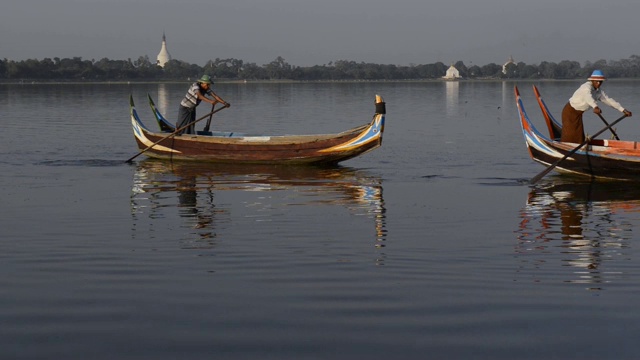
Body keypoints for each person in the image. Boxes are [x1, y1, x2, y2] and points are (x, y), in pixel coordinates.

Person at [561, 69, 632, 143]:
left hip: (578, 115)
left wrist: (623, 110)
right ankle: (565, 148)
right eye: (596, 81)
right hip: (569, 112)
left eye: (600, 82)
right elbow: (588, 97)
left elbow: (609, 101)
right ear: (592, 80)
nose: (598, 83)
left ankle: (579, 149)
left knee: (579, 136)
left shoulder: (598, 91)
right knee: (569, 135)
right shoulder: (585, 87)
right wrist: (595, 106)